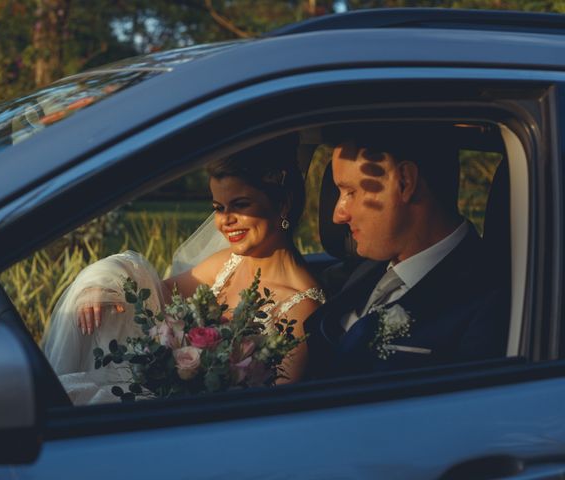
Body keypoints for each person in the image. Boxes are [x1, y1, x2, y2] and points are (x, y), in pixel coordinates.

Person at [43, 135, 325, 404]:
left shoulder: (302, 309)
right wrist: (106, 285)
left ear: (282, 203)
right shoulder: (226, 263)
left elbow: (275, 406)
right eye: (218, 207)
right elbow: (151, 295)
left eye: (240, 205)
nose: (225, 221)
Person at [305, 125, 509, 378]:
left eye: (351, 192)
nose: (338, 215)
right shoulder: (364, 268)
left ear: (404, 182)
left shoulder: (489, 299)